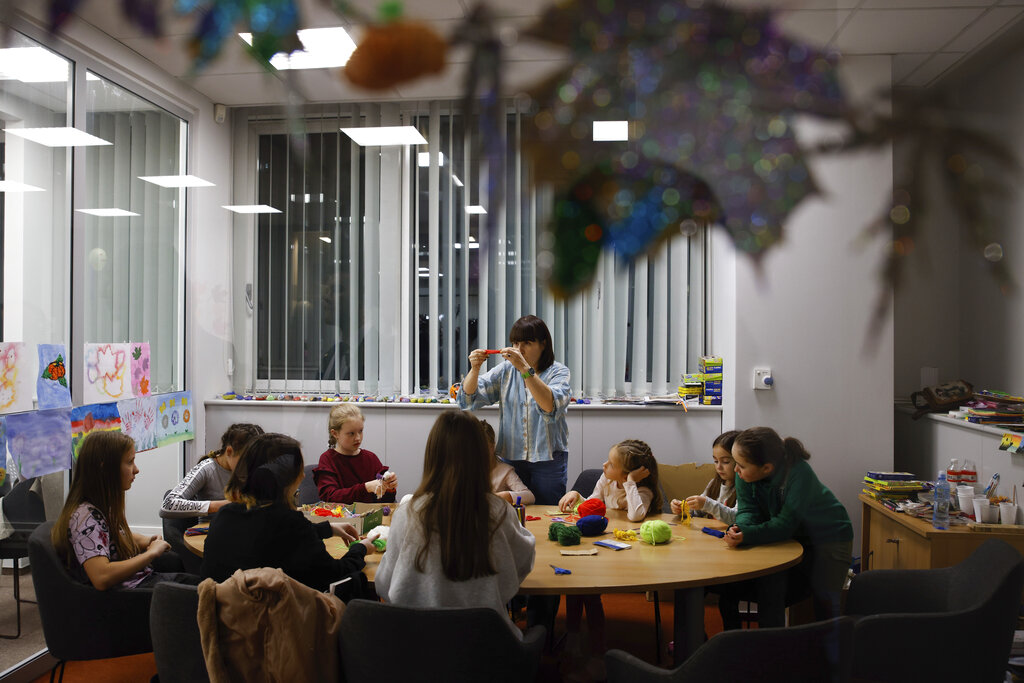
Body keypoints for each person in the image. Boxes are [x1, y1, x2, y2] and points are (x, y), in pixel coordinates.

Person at [374, 410, 536, 631]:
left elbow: (385, 584)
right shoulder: (497, 511)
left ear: (432, 455)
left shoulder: (407, 513)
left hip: (416, 648)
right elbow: (521, 565)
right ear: (481, 455)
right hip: (484, 648)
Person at [202, 432, 376, 592]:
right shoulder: (290, 523)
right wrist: (360, 549)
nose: (303, 476)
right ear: (288, 479)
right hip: (272, 621)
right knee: (357, 581)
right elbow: (334, 573)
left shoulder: (225, 515)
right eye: (299, 470)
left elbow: (271, 536)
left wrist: (327, 528)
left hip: (223, 617)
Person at [722, 426, 853, 627]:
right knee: (770, 590)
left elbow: (785, 525)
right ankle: (773, 649)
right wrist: (741, 529)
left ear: (766, 468)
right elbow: (748, 511)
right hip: (791, 537)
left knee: (825, 606)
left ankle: (831, 656)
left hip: (829, 537)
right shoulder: (746, 474)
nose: (735, 470)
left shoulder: (799, 473)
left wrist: (748, 534)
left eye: (740, 465)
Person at [557, 440, 662, 673]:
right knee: (576, 585)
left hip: (624, 558)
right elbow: (593, 504)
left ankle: (597, 651)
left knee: (589, 593)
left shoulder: (642, 491)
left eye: (611, 463)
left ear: (627, 473)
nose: (604, 465)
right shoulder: (606, 480)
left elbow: (636, 516)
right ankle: (574, 638)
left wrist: (631, 484)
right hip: (600, 543)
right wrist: (576, 494)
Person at [52, 431, 195, 590]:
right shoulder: (86, 518)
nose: (136, 469)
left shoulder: (100, 506)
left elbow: (110, 535)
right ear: (104, 468)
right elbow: (101, 577)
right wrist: (150, 554)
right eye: (129, 462)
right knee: (203, 592)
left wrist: (145, 540)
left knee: (189, 574)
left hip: (138, 581)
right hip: (129, 596)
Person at [458, 314, 571, 506]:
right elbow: (468, 400)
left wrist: (525, 369)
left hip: (548, 459)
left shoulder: (558, 372)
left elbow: (549, 405)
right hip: (511, 457)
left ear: (543, 344)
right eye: (515, 343)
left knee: (548, 512)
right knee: (513, 513)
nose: (519, 350)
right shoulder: (505, 370)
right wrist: (475, 369)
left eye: (526, 343)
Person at [160, 423, 264, 519]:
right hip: (209, 534)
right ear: (229, 451)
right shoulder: (207, 469)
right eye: (247, 461)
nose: (251, 466)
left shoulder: (254, 469)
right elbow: (168, 505)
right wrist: (228, 505)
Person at [314, 403, 397, 504]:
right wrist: (366, 488)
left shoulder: (371, 458)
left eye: (360, 431)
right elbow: (330, 497)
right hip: (340, 519)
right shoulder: (328, 459)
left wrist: (389, 487)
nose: (358, 438)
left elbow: (386, 501)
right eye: (351, 433)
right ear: (335, 433)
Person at [671, 430, 740, 524]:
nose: (718, 467)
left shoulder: (744, 488)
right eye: (716, 461)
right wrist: (683, 509)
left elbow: (736, 518)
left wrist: (707, 504)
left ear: (740, 461)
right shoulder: (714, 483)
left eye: (725, 461)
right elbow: (697, 511)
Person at [480, 419, 535, 505]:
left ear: (493, 446)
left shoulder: (505, 471)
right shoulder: (463, 470)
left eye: (484, 449)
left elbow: (530, 497)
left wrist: (506, 496)